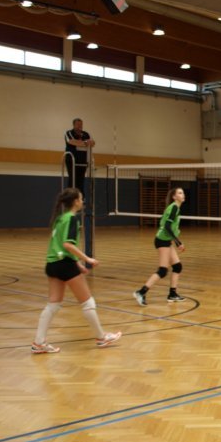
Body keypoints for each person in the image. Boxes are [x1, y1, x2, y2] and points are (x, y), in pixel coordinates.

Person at [31, 187, 121, 353]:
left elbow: (58, 245)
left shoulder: (60, 218)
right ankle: (101, 338)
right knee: (88, 302)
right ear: (75, 201)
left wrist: (77, 264)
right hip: (64, 264)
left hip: (52, 264)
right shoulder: (72, 219)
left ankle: (39, 343)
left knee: (53, 304)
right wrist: (87, 259)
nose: (82, 201)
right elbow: (67, 244)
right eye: (81, 199)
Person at [134, 187, 186, 306]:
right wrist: (178, 242)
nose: (183, 194)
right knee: (163, 270)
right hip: (162, 241)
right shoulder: (174, 207)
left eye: (183, 193)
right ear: (174, 197)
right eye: (180, 193)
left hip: (166, 240)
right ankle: (141, 292)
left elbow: (166, 224)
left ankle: (172, 294)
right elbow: (167, 226)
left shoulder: (175, 207)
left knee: (177, 266)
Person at [63, 118, 94, 190]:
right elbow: (71, 141)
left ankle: (80, 196)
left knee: (81, 180)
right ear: (74, 125)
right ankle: (71, 195)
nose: (80, 126)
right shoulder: (69, 133)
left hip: (83, 160)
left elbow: (92, 143)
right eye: (78, 125)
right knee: (73, 179)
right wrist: (85, 143)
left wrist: (81, 143)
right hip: (72, 160)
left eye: (81, 125)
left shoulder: (86, 134)